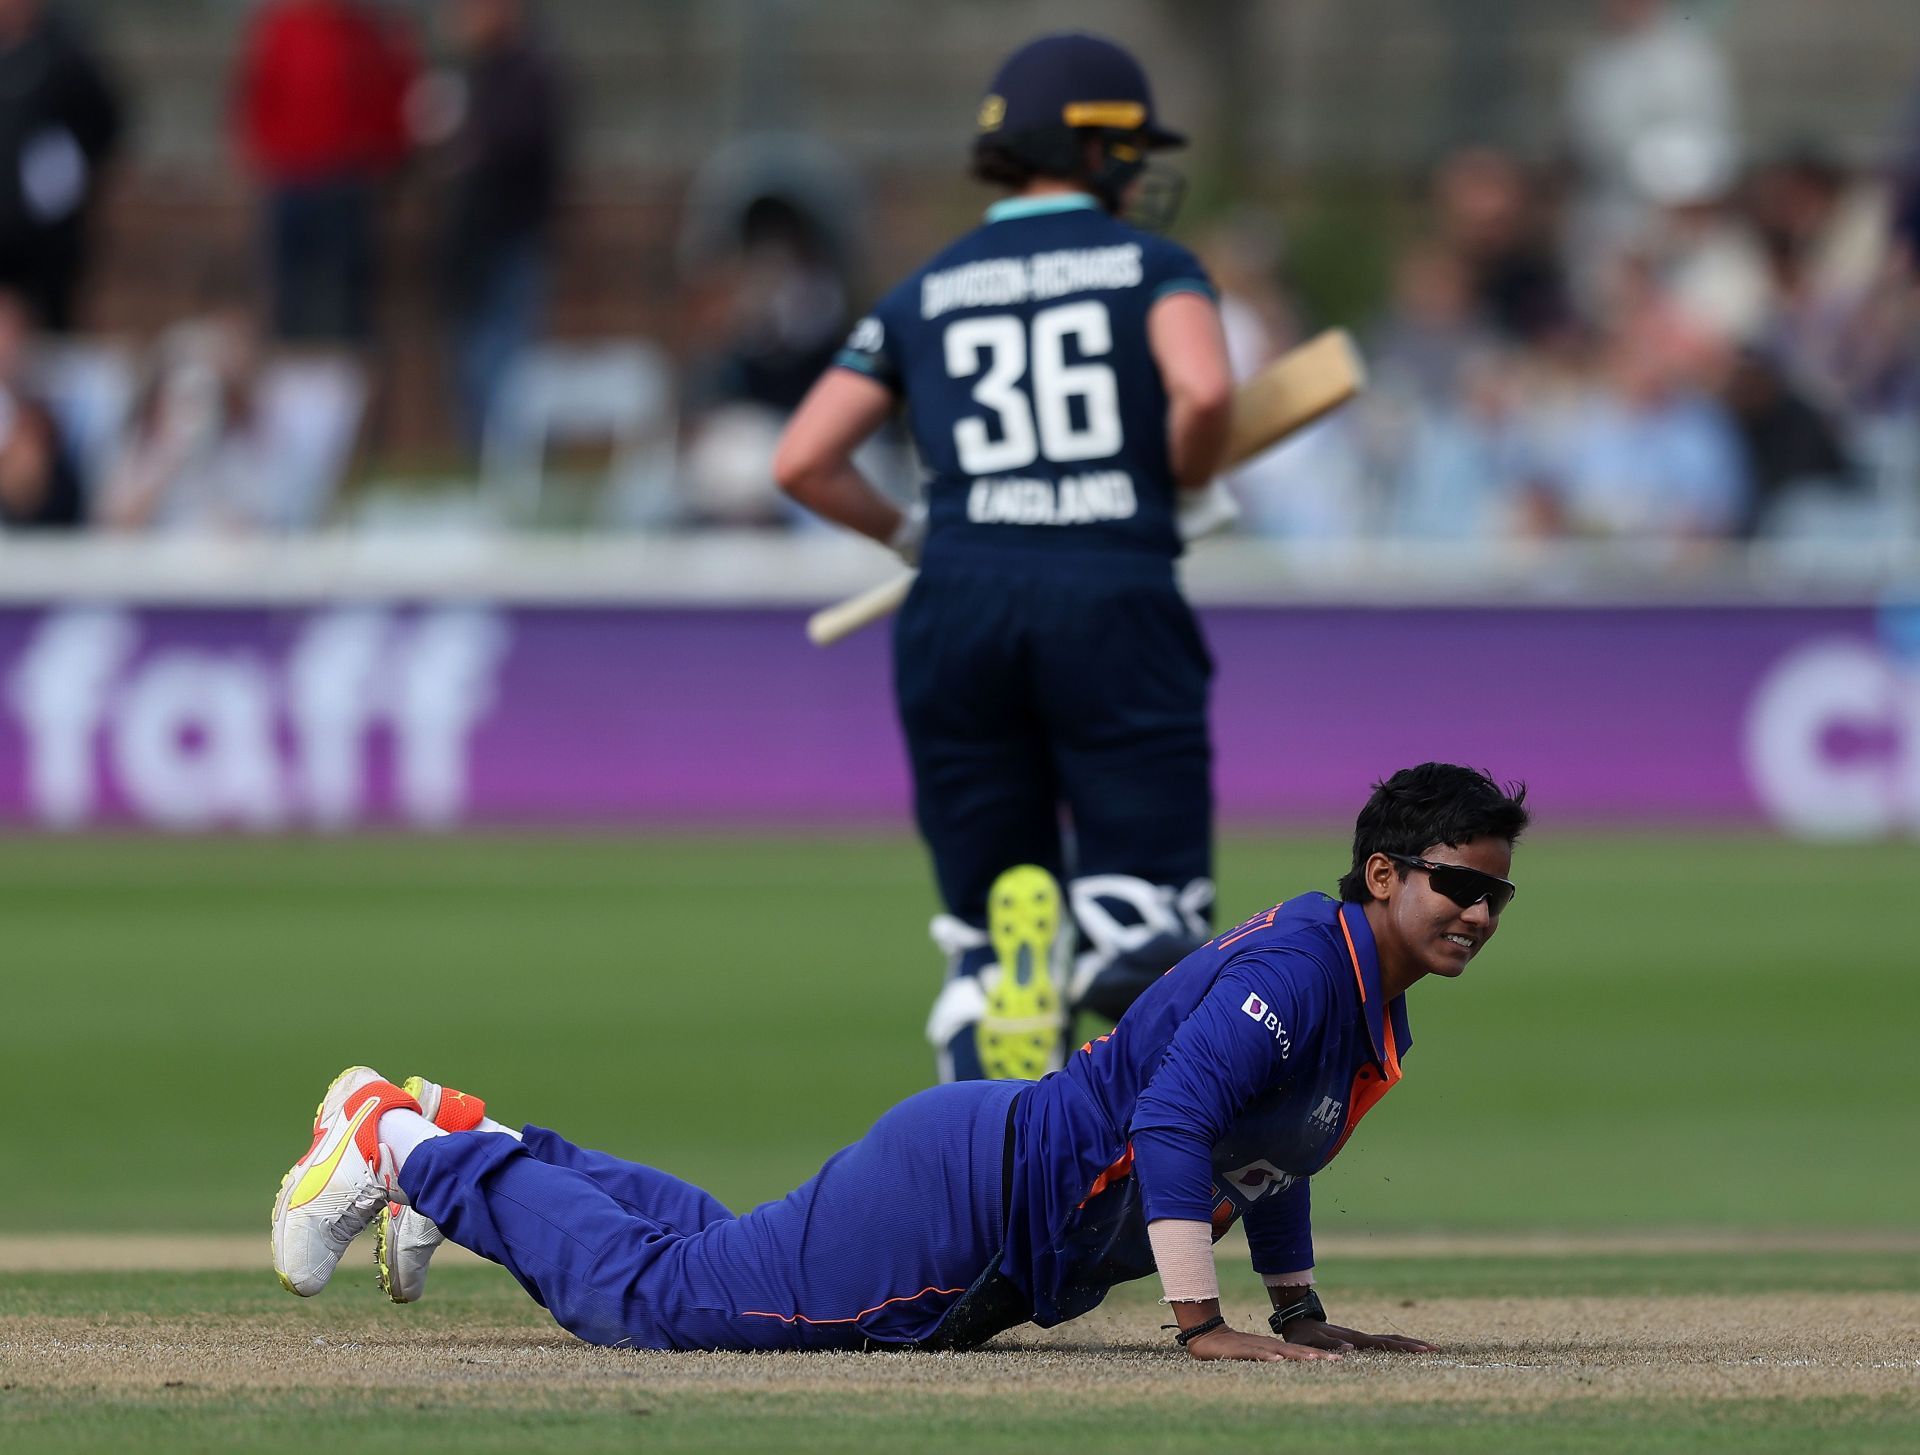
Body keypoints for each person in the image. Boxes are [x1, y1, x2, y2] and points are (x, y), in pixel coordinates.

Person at [271, 763, 1529, 1362]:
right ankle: (400, 1149)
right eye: (1457, 883)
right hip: (966, 1210)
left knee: (706, 1254)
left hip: (977, 1192)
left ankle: (465, 1132)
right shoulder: (1301, 972)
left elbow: (1266, 1152)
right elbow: (1177, 1127)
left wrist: (1302, 1312)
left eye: (1496, 896)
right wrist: (1201, 1327)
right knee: (653, 1307)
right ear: (1381, 874)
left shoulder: (1362, 997)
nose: (1476, 911)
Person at [771, 33, 1236, 1083]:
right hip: (1109, 595)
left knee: (985, 918)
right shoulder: (1153, 266)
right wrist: (1183, 484)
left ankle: (996, 1016)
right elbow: (1205, 392)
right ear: (1097, 147)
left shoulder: (923, 291)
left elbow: (802, 459)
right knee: (1149, 918)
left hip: (958, 604)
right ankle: (1125, 1008)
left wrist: (914, 538)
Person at [421, 0, 565, 447]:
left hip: (511, 236)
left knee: (503, 365)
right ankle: (483, 459)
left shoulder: (528, 70)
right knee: (470, 365)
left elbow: (520, 147)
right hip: (471, 247)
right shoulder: (474, 74)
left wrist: (463, 139)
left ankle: (506, 461)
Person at [233, 0, 417, 345]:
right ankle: (289, 379)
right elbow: (256, 96)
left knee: (349, 303)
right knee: (288, 299)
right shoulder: (282, 27)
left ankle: (347, 382)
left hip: (348, 181)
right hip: (291, 178)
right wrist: (259, 153)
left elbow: (393, 99)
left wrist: (386, 159)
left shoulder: (369, 30)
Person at [0, 0, 122, 332]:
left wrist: (65, 169)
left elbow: (103, 123)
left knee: (48, 324)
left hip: (46, 232)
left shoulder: (64, 53)